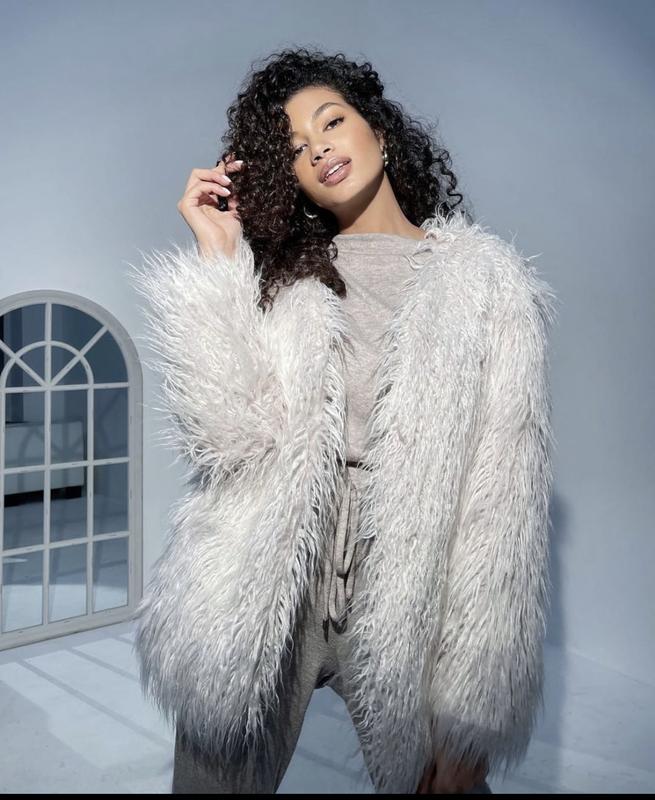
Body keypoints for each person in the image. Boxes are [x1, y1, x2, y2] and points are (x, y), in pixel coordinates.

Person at [126, 46, 558, 794]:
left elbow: (501, 508)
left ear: (379, 131)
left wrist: (473, 717)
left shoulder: (487, 285)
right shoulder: (284, 278)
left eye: (331, 122)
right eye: (295, 148)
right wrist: (219, 259)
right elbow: (225, 437)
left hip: (406, 587)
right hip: (269, 579)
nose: (319, 148)